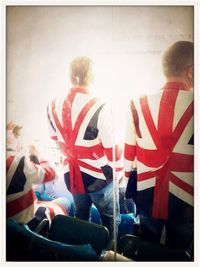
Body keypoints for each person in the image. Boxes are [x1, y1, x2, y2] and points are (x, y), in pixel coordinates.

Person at [124, 41, 194, 257]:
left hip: (146, 191)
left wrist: (127, 177)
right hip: (186, 198)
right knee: (179, 251)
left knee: (147, 245)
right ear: (191, 72)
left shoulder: (136, 103)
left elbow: (129, 153)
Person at [47, 56, 123, 239]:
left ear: (70, 75)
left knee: (80, 218)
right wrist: (119, 176)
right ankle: (106, 257)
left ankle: (81, 253)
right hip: (100, 178)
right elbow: (113, 150)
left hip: (71, 175)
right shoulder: (102, 106)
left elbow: (55, 138)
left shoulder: (52, 104)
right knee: (110, 220)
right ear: (92, 75)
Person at [6, 122, 67, 229]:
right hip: (24, 222)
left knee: (41, 194)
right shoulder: (18, 162)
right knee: (65, 201)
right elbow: (52, 173)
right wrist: (37, 152)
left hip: (9, 220)